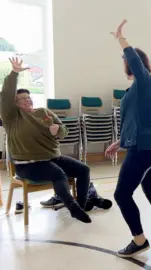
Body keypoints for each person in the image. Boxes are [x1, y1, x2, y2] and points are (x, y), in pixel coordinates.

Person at [0, 58, 109, 223]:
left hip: (52, 158)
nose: (27, 100)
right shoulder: (12, 117)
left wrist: (58, 130)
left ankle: (81, 203)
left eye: (28, 97)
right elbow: (6, 95)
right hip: (28, 164)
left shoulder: (44, 111)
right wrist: (14, 73)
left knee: (83, 169)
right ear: (15, 103)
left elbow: (64, 130)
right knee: (58, 173)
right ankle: (73, 208)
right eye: (22, 98)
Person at [105, 19, 151, 258]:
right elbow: (135, 121)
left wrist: (122, 41)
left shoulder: (146, 81)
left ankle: (139, 240)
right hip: (147, 145)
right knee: (149, 185)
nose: (124, 62)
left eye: (126, 59)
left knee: (122, 194)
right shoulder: (135, 90)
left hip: (144, 148)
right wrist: (119, 142)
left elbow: (134, 61)